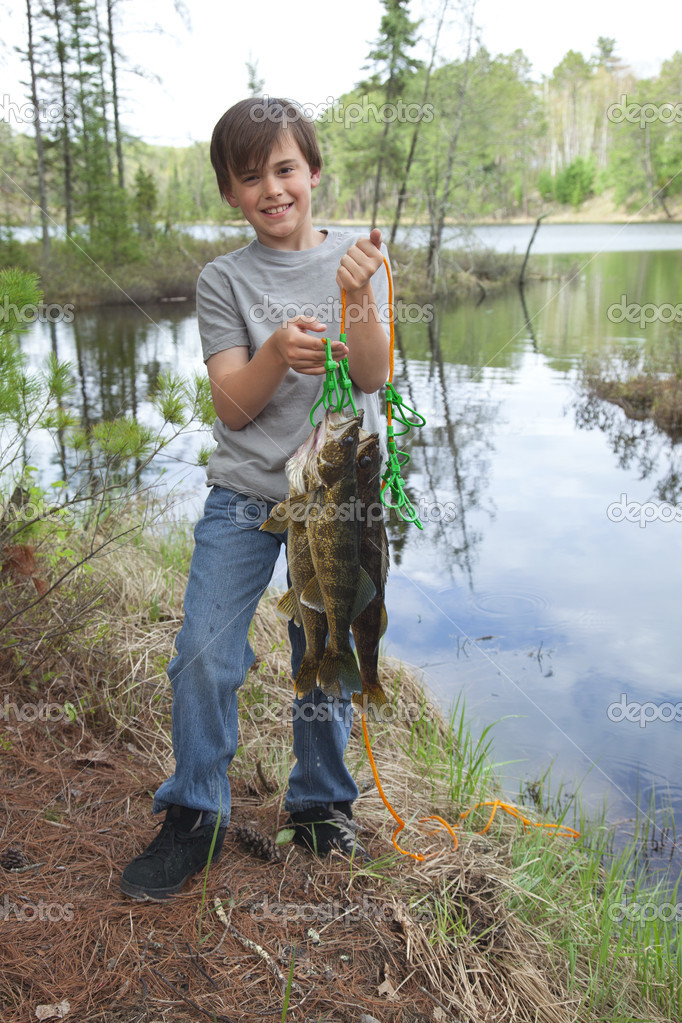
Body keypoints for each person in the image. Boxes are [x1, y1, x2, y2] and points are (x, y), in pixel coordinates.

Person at [119, 97, 391, 901]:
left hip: (336, 498)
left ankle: (319, 804)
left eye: (285, 169)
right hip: (244, 497)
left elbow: (372, 377)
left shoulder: (361, 256)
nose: (272, 189)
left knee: (328, 648)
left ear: (313, 173)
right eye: (251, 177)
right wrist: (276, 351)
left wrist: (360, 298)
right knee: (203, 650)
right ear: (231, 193)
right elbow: (234, 406)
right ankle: (194, 813)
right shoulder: (221, 280)